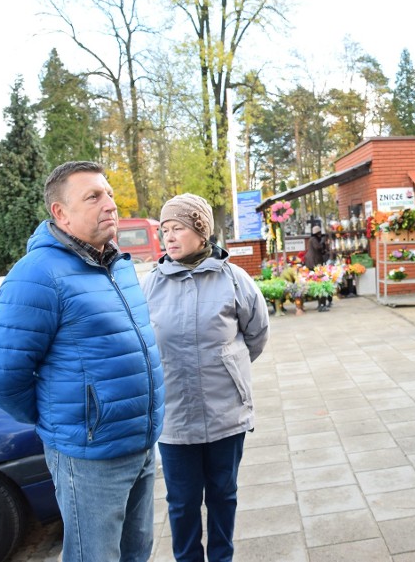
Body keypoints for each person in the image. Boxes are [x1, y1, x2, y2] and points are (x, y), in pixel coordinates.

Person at [0, 161, 165, 562]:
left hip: (140, 444)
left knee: (137, 553)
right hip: (90, 458)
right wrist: (66, 420)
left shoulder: (118, 264)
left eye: (110, 194)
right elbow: (0, 380)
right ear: (60, 213)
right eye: (93, 197)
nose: (110, 204)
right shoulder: (37, 275)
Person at [141, 193, 269, 562]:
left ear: (201, 231)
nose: (169, 236)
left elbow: (256, 334)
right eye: (165, 229)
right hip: (176, 419)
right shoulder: (151, 286)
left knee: (223, 495)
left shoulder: (234, 279)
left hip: (224, 413)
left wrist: (231, 366)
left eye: (177, 227)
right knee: (181, 503)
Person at [305, 224, 332, 311]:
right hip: (315, 263)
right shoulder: (313, 240)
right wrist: (322, 242)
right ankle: (321, 304)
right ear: (317, 233)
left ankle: (321, 303)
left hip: (313, 263)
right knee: (320, 282)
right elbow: (318, 247)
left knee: (318, 282)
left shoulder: (311, 239)